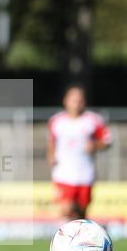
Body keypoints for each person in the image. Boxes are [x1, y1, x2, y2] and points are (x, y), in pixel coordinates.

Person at [47, 85, 111, 220]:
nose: (76, 104)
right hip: (63, 172)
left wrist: (95, 145)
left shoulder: (93, 120)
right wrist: (51, 155)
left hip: (84, 173)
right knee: (66, 209)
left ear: (84, 102)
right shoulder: (56, 121)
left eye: (79, 100)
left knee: (81, 213)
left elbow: (107, 141)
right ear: (66, 101)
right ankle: (65, 238)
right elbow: (52, 141)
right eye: (73, 100)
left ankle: (80, 238)